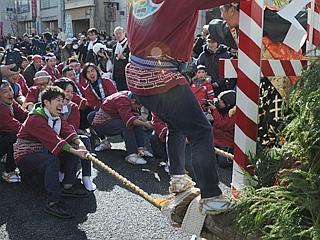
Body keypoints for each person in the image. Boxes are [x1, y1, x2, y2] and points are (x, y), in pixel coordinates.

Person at [126, 0, 233, 216]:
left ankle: (177, 178)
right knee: (201, 131)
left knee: (176, 124)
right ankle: (211, 195)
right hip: (161, 78)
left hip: (135, 75)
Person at [14, 86, 89, 219]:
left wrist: (80, 145)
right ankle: (53, 201)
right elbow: (54, 139)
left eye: (62, 100)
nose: (61, 103)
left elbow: (68, 131)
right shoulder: (35, 119)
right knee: (52, 160)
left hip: (44, 151)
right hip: (26, 157)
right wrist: (77, 152)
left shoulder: (56, 116)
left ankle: (67, 185)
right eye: (57, 100)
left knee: (78, 142)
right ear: (46, 103)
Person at [53, 79, 96, 191]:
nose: (69, 95)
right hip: (51, 141)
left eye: (71, 92)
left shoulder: (73, 107)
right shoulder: (48, 105)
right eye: (66, 91)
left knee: (84, 140)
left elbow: (73, 128)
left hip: (66, 137)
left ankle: (86, 176)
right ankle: (64, 174)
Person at [91, 91, 154, 164]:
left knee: (136, 121)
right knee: (126, 125)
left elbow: (134, 115)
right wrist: (146, 124)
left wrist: (145, 121)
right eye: (138, 107)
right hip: (103, 123)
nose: (138, 109)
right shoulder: (121, 100)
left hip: (115, 117)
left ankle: (140, 148)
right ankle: (132, 154)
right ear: (133, 101)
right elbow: (129, 119)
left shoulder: (130, 96)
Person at [0, 80, 28, 183]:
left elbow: (23, 114)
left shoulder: (10, 102)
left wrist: (35, 116)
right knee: (15, 139)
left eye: (10, 90)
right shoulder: (1, 108)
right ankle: (9, 172)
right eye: (5, 92)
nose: (10, 94)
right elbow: (16, 127)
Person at [211, 90, 236, 168]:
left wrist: (215, 110)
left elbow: (222, 125)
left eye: (220, 102)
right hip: (215, 140)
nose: (218, 103)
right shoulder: (222, 109)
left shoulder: (233, 113)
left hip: (226, 143)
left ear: (228, 104)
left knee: (223, 163)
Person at [112, 26, 129, 91]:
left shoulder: (129, 45)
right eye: (116, 34)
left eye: (120, 33)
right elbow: (113, 61)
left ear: (124, 33)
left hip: (125, 75)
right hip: (117, 75)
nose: (118, 35)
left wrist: (124, 58)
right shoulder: (114, 46)